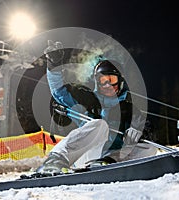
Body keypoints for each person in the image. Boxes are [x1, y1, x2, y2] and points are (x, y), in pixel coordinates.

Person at [37, 41, 157, 174]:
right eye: (102, 80)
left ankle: (107, 165)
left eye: (111, 80)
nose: (107, 85)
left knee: (149, 147)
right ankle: (56, 160)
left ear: (120, 81)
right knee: (101, 125)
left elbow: (144, 125)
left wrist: (144, 131)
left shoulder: (129, 110)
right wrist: (54, 65)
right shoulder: (87, 100)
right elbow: (59, 92)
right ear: (96, 82)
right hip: (87, 154)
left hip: (112, 159)